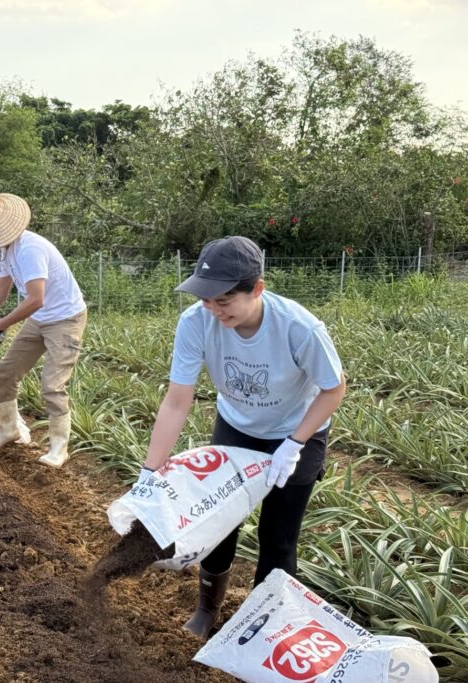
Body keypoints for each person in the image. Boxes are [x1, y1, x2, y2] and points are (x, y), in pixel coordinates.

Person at [139, 235, 345, 639]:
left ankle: (262, 625)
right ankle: (207, 609)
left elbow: (334, 388)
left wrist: (296, 442)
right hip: (236, 427)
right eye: (206, 299)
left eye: (225, 299)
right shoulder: (195, 323)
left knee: (279, 536)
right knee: (220, 522)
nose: (214, 310)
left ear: (258, 289)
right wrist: (150, 470)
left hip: (297, 432)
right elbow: (178, 400)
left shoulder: (299, 328)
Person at [0, 193, 88, 468]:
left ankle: (58, 448)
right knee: (8, 370)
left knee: (52, 385)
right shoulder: (4, 250)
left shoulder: (30, 249)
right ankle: (6, 429)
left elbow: (35, 298)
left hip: (65, 319)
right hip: (39, 318)